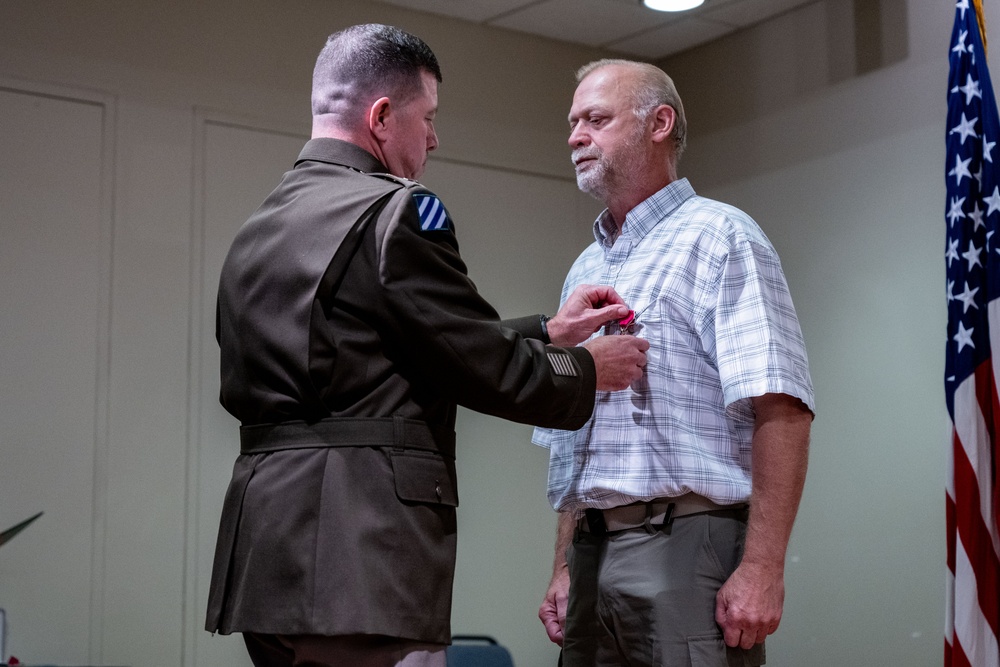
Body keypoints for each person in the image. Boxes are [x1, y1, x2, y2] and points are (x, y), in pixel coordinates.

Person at [204, 26, 650, 667]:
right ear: (382, 117)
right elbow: (481, 366)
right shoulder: (396, 212)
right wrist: (585, 367)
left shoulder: (262, 225)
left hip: (266, 538)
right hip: (356, 544)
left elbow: (381, 347)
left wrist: (546, 332)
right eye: (428, 117)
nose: (434, 138)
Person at [534, 59, 816, 667]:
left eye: (596, 119)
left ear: (658, 124)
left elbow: (783, 407)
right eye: (573, 121)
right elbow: (575, 438)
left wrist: (763, 569)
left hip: (689, 544)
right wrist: (562, 563)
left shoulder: (721, 237)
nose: (575, 135)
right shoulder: (585, 268)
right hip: (591, 552)